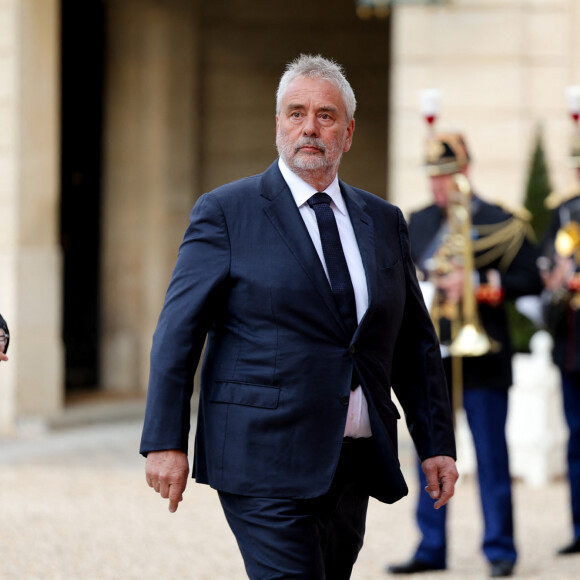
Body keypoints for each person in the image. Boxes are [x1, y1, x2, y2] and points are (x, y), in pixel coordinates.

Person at [140, 54, 458, 580]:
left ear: (348, 132)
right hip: (260, 456)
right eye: (296, 113)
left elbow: (413, 344)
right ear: (279, 124)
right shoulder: (225, 213)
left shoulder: (383, 221)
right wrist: (165, 440)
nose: (309, 127)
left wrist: (436, 444)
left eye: (325, 116)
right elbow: (178, 331)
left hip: (351, 462)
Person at [386, 133, 543, 578]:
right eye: (434, 177)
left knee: (492, 456)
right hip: (431, 356)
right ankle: (430, 546)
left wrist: (481, 284)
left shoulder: (500, 220)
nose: (440, 186)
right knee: (430, 453)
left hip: (485, 354)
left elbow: (531, 278)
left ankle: (500, 548)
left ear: (465, 171)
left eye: (448, 175)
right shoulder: (414, 223)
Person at [539, 132, 580, 556]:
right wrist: (554, 277)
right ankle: (579, 526)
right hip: (573, 346)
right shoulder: (564, 209)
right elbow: (547, 263)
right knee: (576, 441)